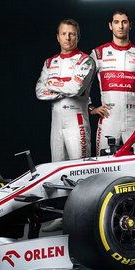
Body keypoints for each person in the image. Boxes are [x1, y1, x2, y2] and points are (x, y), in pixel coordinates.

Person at [90, 8, 135, 153]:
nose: (121, 26)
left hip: (134, 119)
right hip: (109, 118)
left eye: (124, 22)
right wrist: (90, 108)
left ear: (130, 25)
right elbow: (83, 86)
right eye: (116, 22)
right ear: (110, 25)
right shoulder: (98, 54)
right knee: (104, 166)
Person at [35, 19, 96, 162]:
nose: (67, 38)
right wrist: (64, 87)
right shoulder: (49, 62)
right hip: (56, 122)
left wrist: (51, 83)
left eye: (72, 34)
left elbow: (75, 88)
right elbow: (39, 91)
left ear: (78, 37)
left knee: (79, 167)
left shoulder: (86, 60)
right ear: (58, 37)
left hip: (77, 120)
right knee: (56, 168)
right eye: (64, 34)